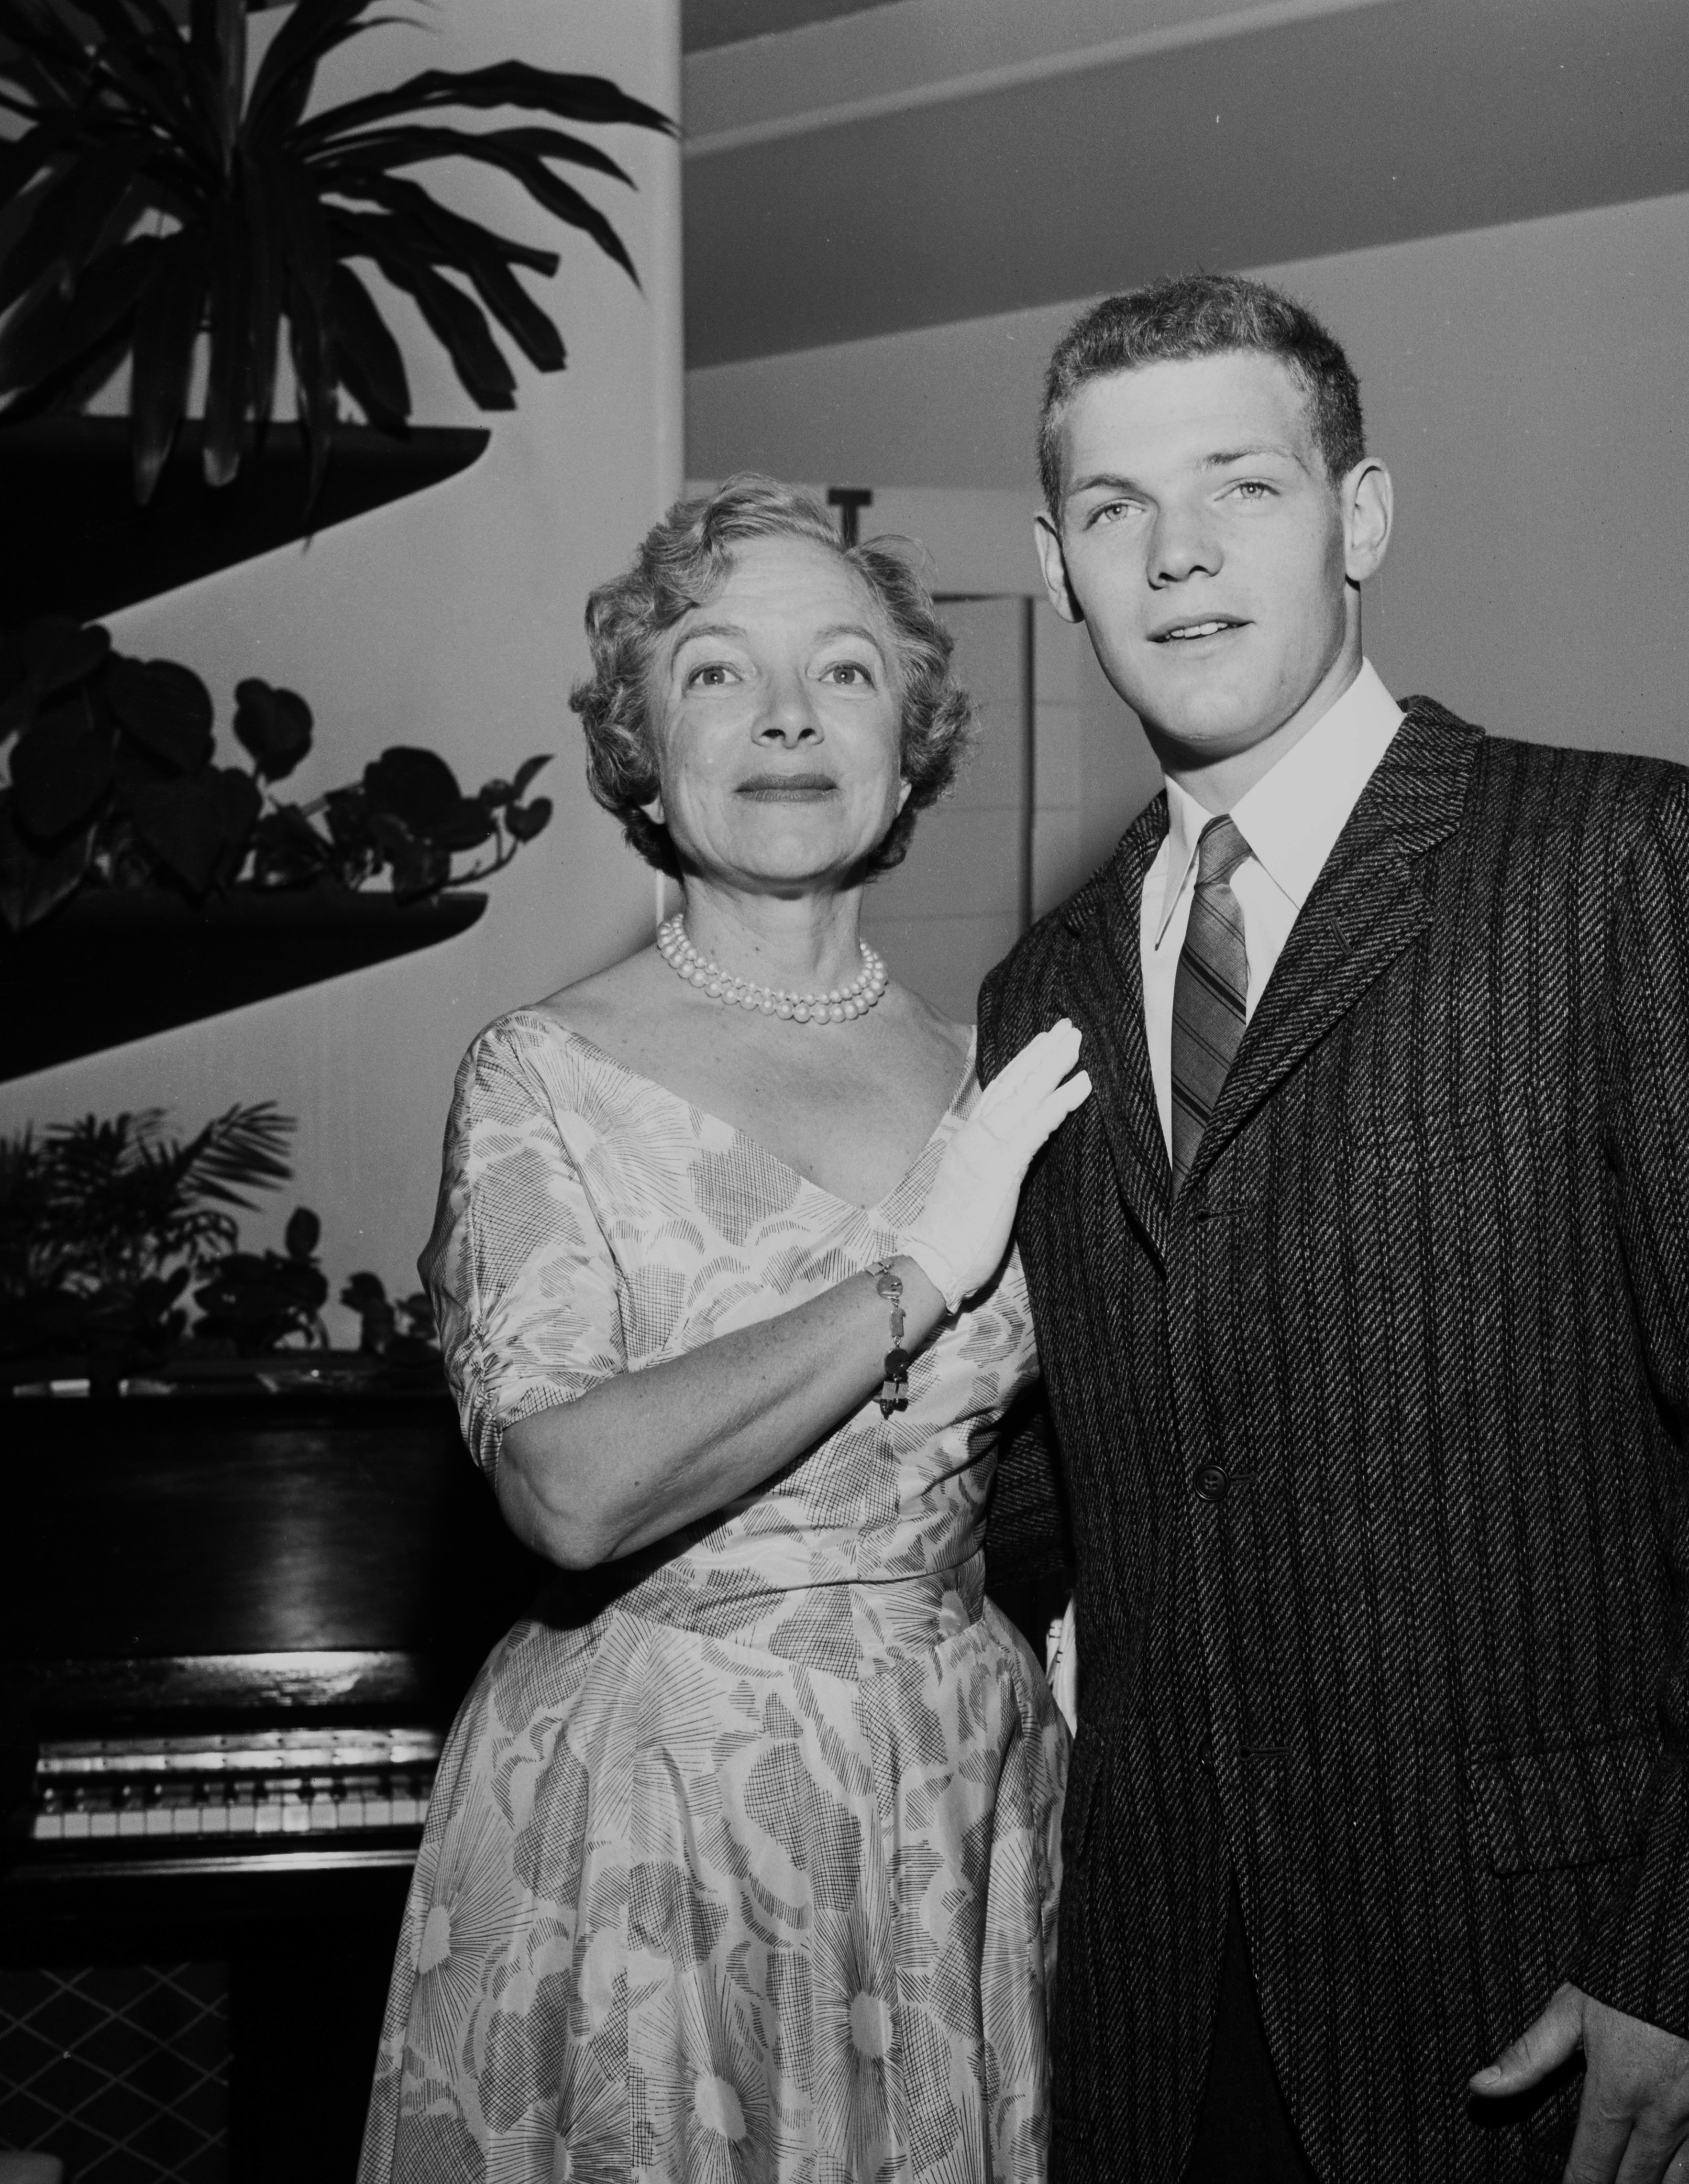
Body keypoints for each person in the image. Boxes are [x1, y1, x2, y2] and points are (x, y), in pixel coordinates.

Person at [979, 273, 1689, 2182]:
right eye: (1111, 507)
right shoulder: (1031, 996)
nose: (1176, 554)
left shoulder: (1628, 860)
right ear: (1053, 563)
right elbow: (1082, 1475)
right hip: (1155, 1995)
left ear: (1360, 514)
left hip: (1547, 1985)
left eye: (1239, 483)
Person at [359, 477, 1090, 2183]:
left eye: (844, 674)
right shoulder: (538, 1073)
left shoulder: (1007, 1076)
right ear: (643, 744)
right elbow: (566, 1492)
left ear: (910, 745)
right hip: (651, 1820)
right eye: (715, 672)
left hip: (949, 1808)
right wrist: (911, 1274)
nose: (783, 717)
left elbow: (1058, 1475)